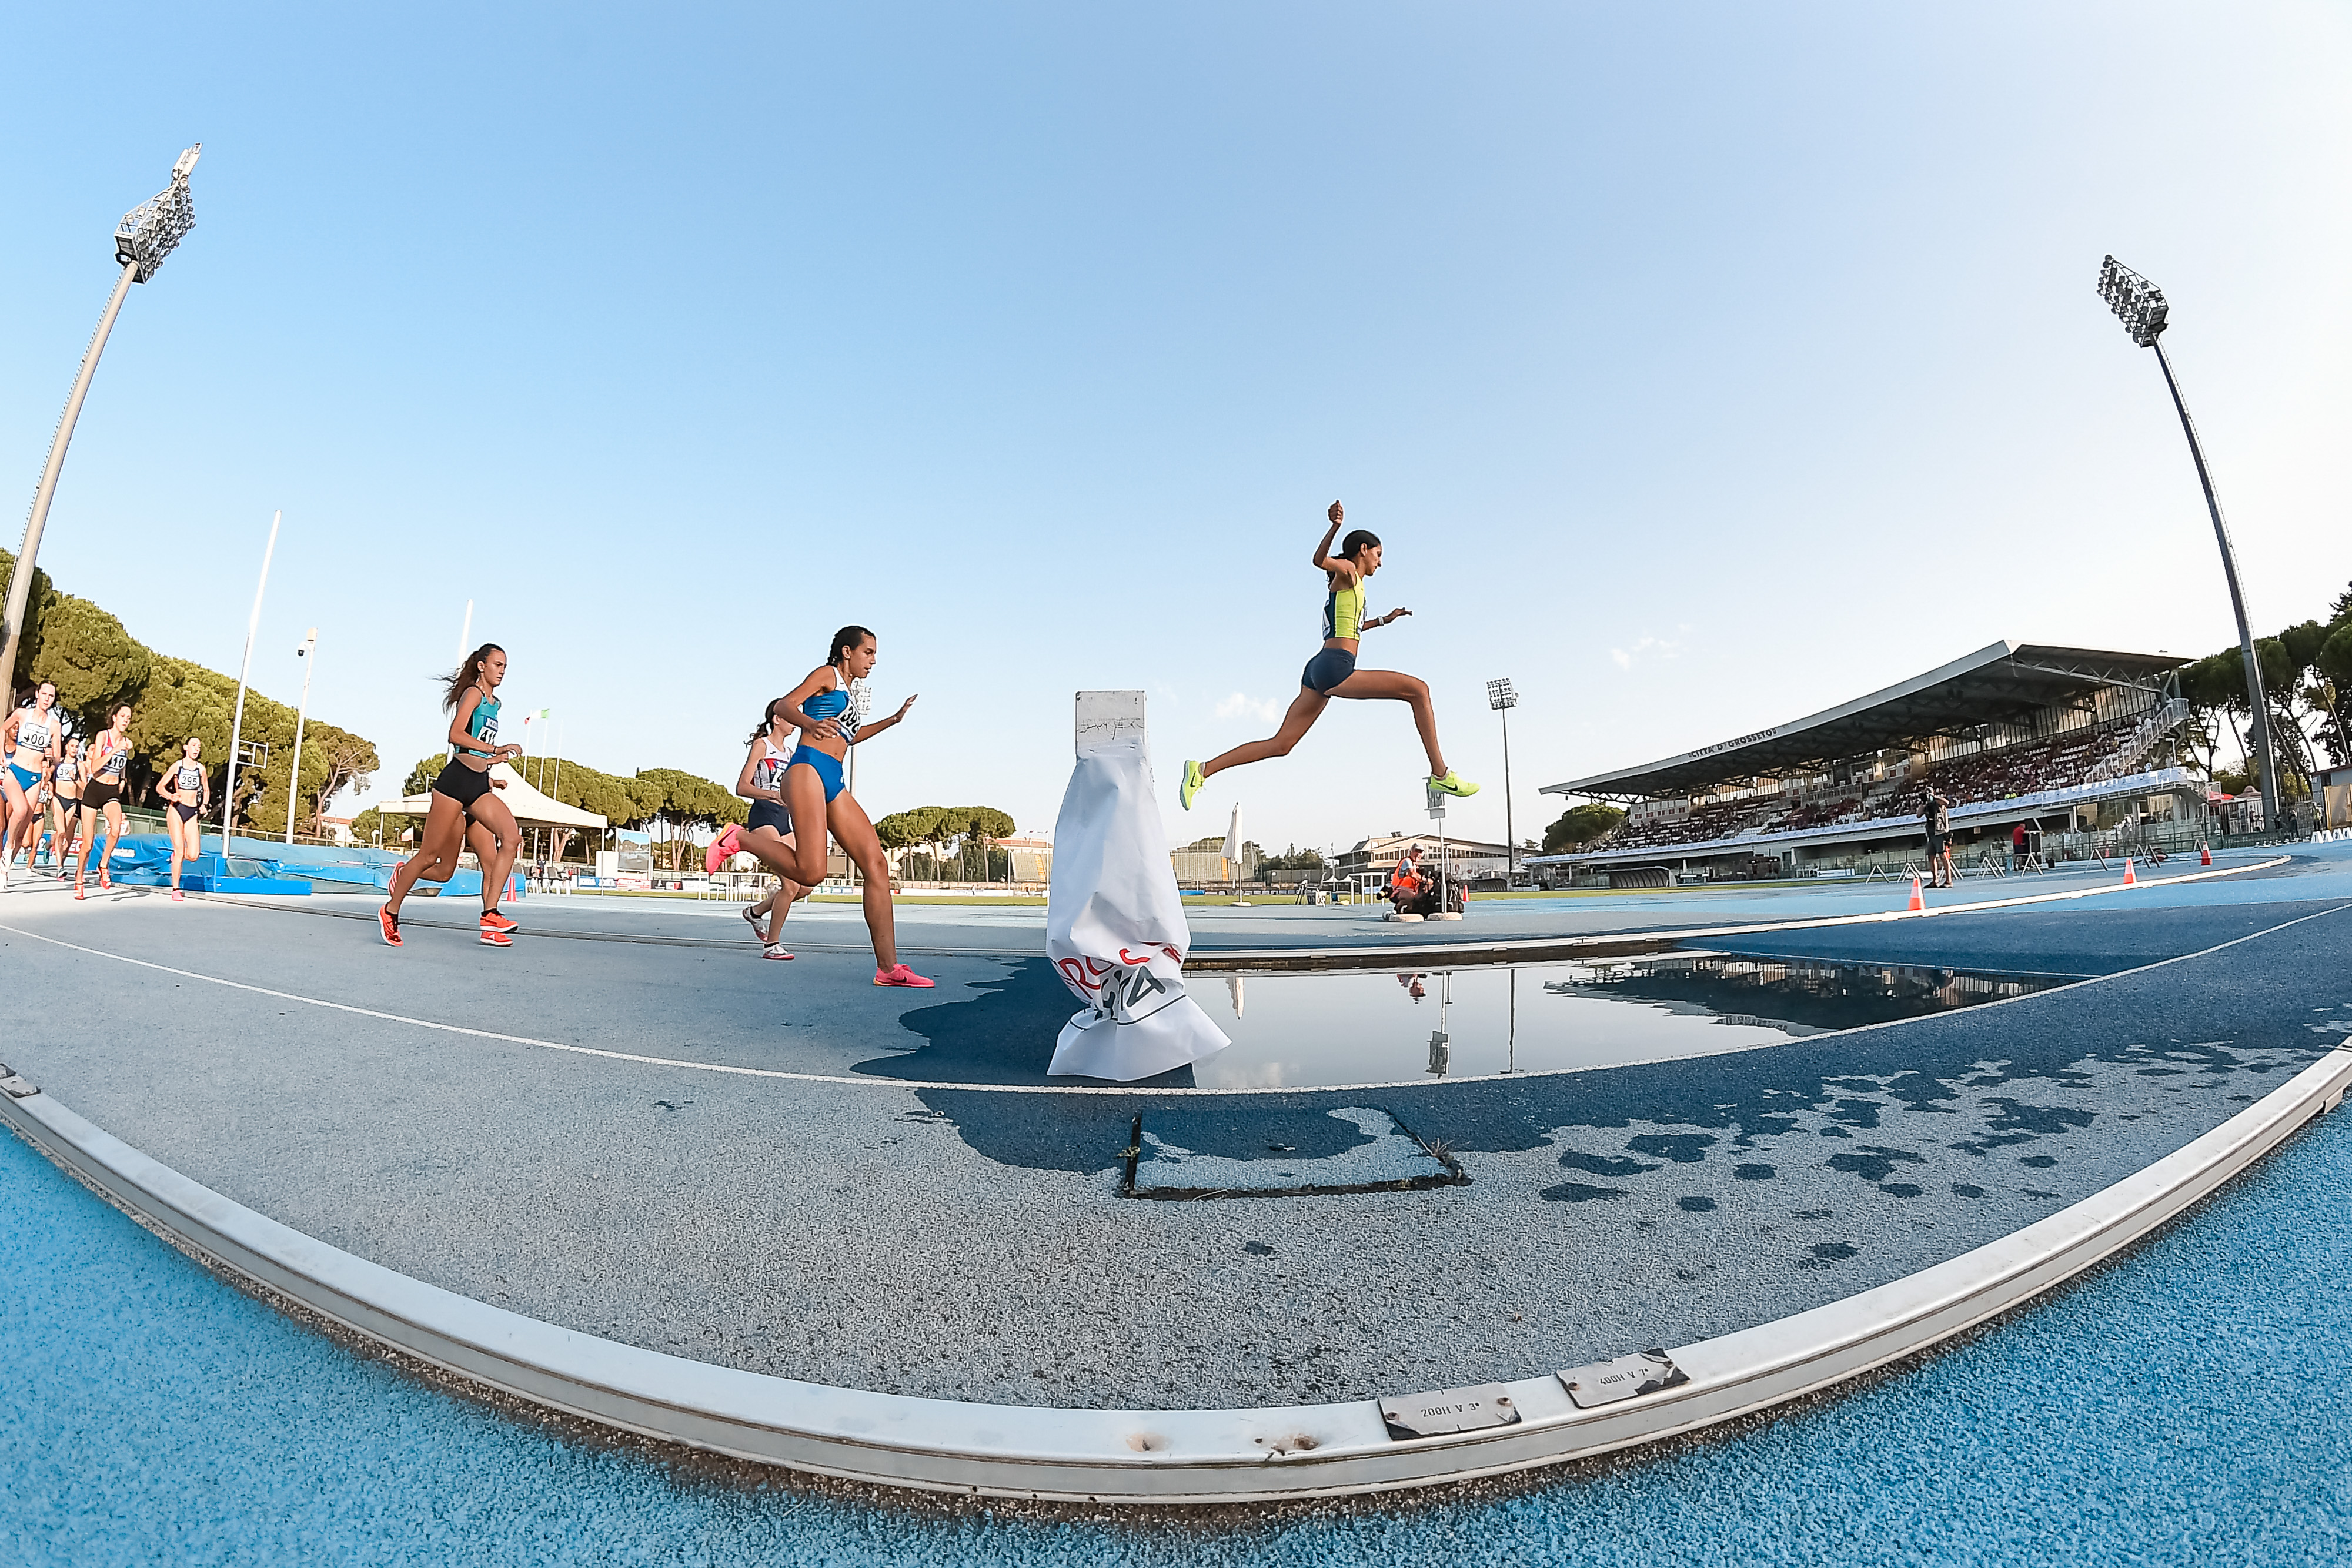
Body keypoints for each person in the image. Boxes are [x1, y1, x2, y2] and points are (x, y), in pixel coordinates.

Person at [1180, 500, 1476, 811]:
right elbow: (1319, 560)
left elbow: (1353, 627)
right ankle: (1441, 774)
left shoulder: (1352, 587)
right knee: (1419, 690)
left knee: (1281, 744)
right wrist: (1335, 527)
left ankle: (1202, 770)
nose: (1380, 563)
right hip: (1336, 667)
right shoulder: (1348, 572)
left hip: (1318, 669)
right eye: (1378, 555)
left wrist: (1385, 620)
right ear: (1363, 550)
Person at [764, 625, 930, 987]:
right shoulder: (827, 675)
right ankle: (739, 839)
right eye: (868, 652)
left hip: (833, 778)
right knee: (812, 873)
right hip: (808, 768)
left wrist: (893, 720)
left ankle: (888, 969)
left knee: (876, 864)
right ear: (846, 652)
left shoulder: (851, 694)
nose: (873, 660)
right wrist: (810, 723)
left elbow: (851, 738)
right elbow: (783, 705)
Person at [379, 643, 528, 949]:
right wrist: (496, 749)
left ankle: (490, 918)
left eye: (505, 667)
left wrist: (491, 768)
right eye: (497, 665)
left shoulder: (496, 704)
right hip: (455, 783)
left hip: (479, 785)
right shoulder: (473, 694)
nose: (502, 671)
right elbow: (456, 736)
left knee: (510, 839)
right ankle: (390, 910)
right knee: (431, 859)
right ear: (482, 666)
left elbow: (474, 748)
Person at [704, 697, 817, 959]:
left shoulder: (791, 754)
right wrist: (772, 794)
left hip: (784, 819)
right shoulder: (762, 745)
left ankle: (755, 912)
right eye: (791, 717)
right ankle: (772, 945)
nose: (795, 722)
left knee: (806, 884)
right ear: (777, 719)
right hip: (764, 816)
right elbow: (742, 787)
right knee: (790, 885)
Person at [1, 683, 64, 887]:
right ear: (37, 694)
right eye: (44, 694)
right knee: (20, 811)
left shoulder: (54, 726)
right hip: (15, 771)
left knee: (23, 832)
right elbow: (2, 728)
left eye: (51, 696)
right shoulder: (22, 714)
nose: (47, 698)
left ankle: (5, 870)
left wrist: (52, 757)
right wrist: (2, 755)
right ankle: (8, 847)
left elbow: (57, 759)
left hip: (35, 777)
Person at [75, 704, 134, 900]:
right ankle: (79, 877)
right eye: (123, 716)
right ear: (114, 718)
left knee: (116, 830)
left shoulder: (127, 743)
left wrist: (122, 781)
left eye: (129, 717)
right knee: (88, 844)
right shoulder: (103, 736)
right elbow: (94, 767)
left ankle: (103, 864)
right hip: (94, 790)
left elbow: (122, 767)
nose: (126, 720)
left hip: (111, 791)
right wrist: (115, 750)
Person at [159, 737, 211, 901]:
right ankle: (176, 889)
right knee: (180, 850)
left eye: (199, 746)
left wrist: (204, 805)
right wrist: (170, 796)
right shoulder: (178, 766)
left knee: (193, 855)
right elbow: (160, 787)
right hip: (176, 809)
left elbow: (206, 790)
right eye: (194, 745)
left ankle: (176, 856)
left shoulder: (201, 769)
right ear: (186, 747)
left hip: (192, 812)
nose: (196, 749)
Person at [44, 737, 84, 879]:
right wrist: (47, 768)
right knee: (61, 832)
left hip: (72, 802)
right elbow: (47, 775)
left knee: (64, 834)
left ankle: (49, 845)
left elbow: (85, 786)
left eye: (77, 746)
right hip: (58, 799)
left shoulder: (79, 765)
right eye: (72, 746)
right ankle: (60, 867)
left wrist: (76, 779)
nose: (75, 749)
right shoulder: (59, 762)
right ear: (66, 747)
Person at [1922, 785, 1953, 889]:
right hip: (1931, 833)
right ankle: (1935, 881)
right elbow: (1918, 814)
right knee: (1931, 857)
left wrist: (1933, 797)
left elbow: (1946, 802)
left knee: (1943, 856)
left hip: (1940, 831)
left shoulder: (1938, 802)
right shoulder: (1927, 805)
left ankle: (1948, 881)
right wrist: (1924, 802)